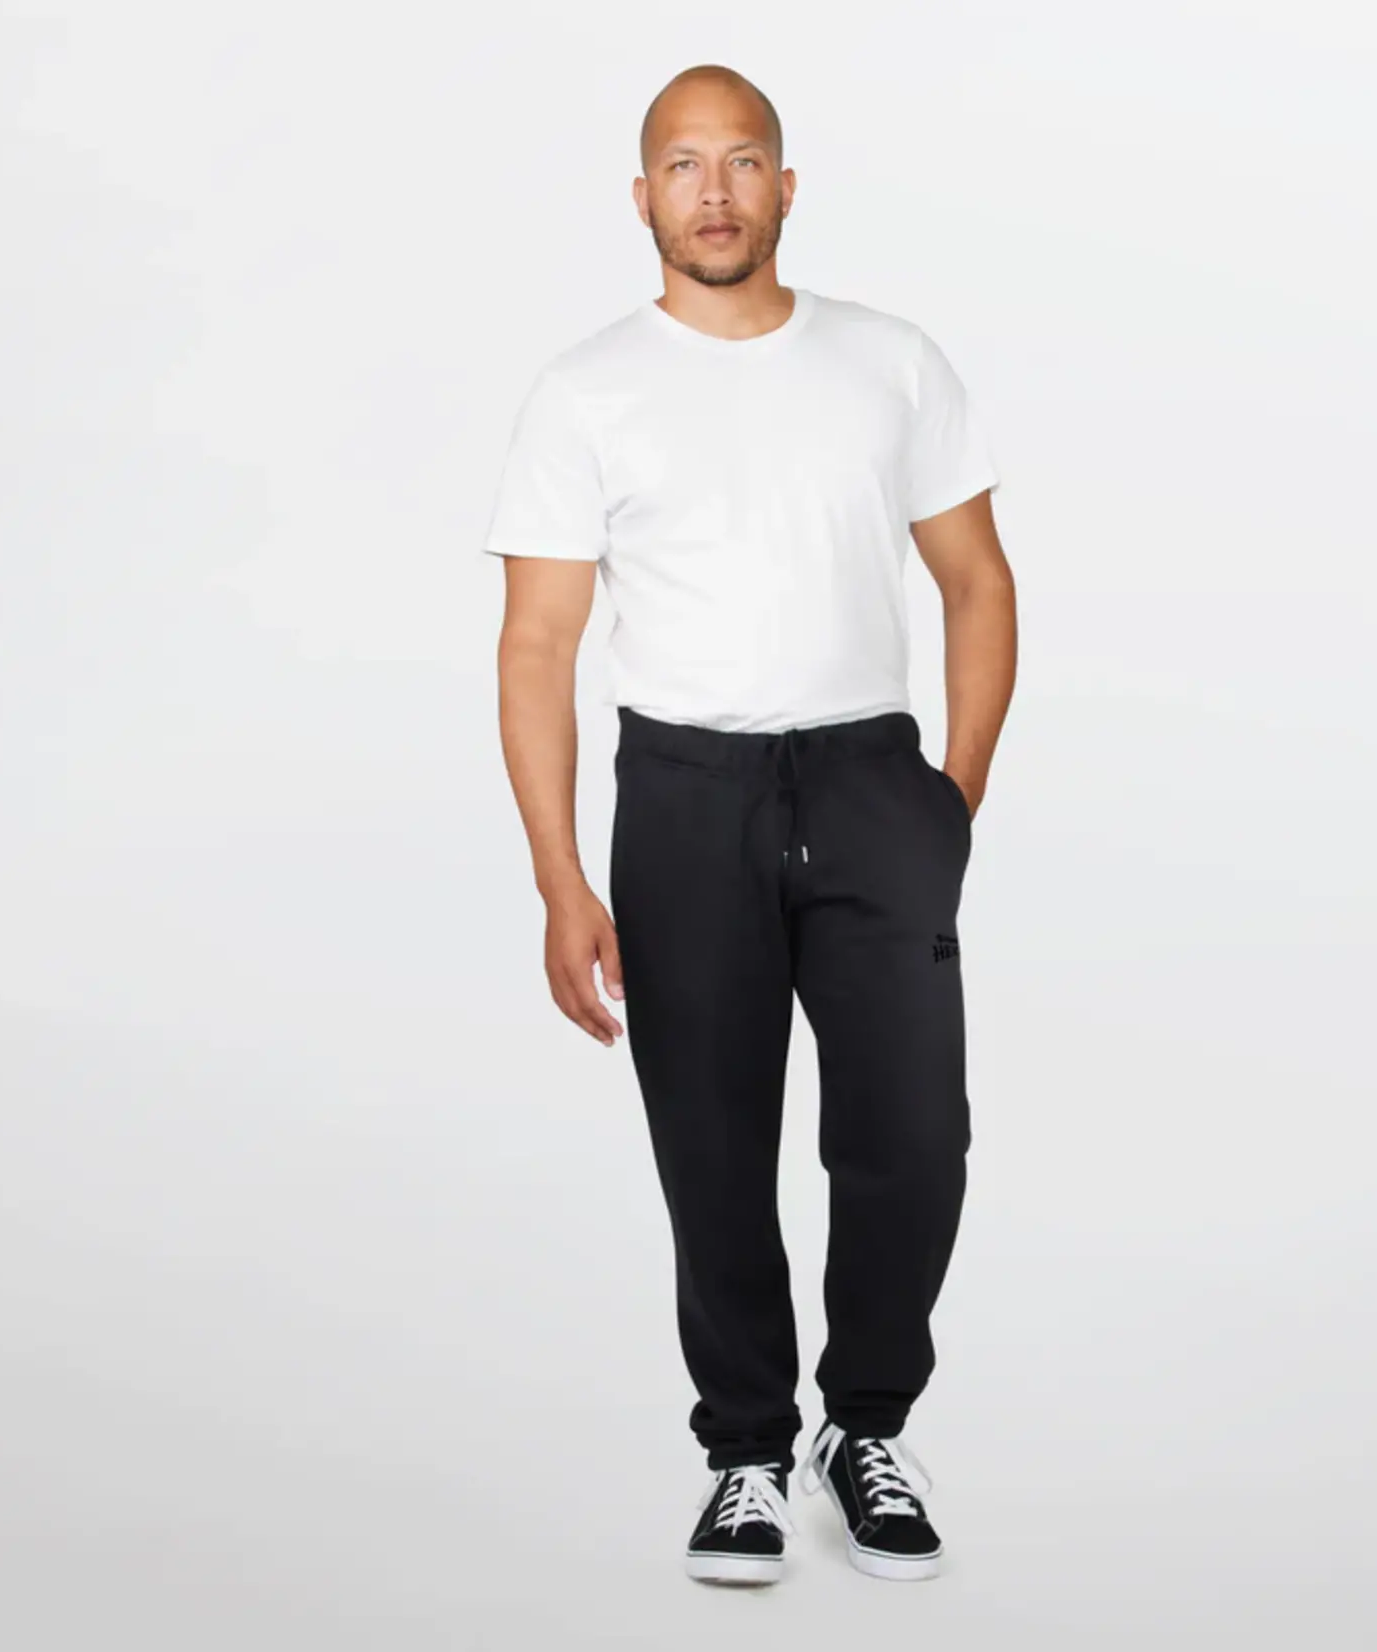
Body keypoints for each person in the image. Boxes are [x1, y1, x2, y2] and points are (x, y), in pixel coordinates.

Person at [481, 63, 1017, 1586]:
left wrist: (951, 800)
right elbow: (536, 645)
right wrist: (560, 878)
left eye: (740, 162)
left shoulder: (889, 362)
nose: (712, 192)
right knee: (711, 1146)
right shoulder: (586, 391)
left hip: (871, 782)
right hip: (684, 796)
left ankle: (867, 1426)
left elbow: (977, 581)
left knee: (912, 1137)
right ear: (641, 196)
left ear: (786, 187)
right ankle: (746, 1453)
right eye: (682, 164)